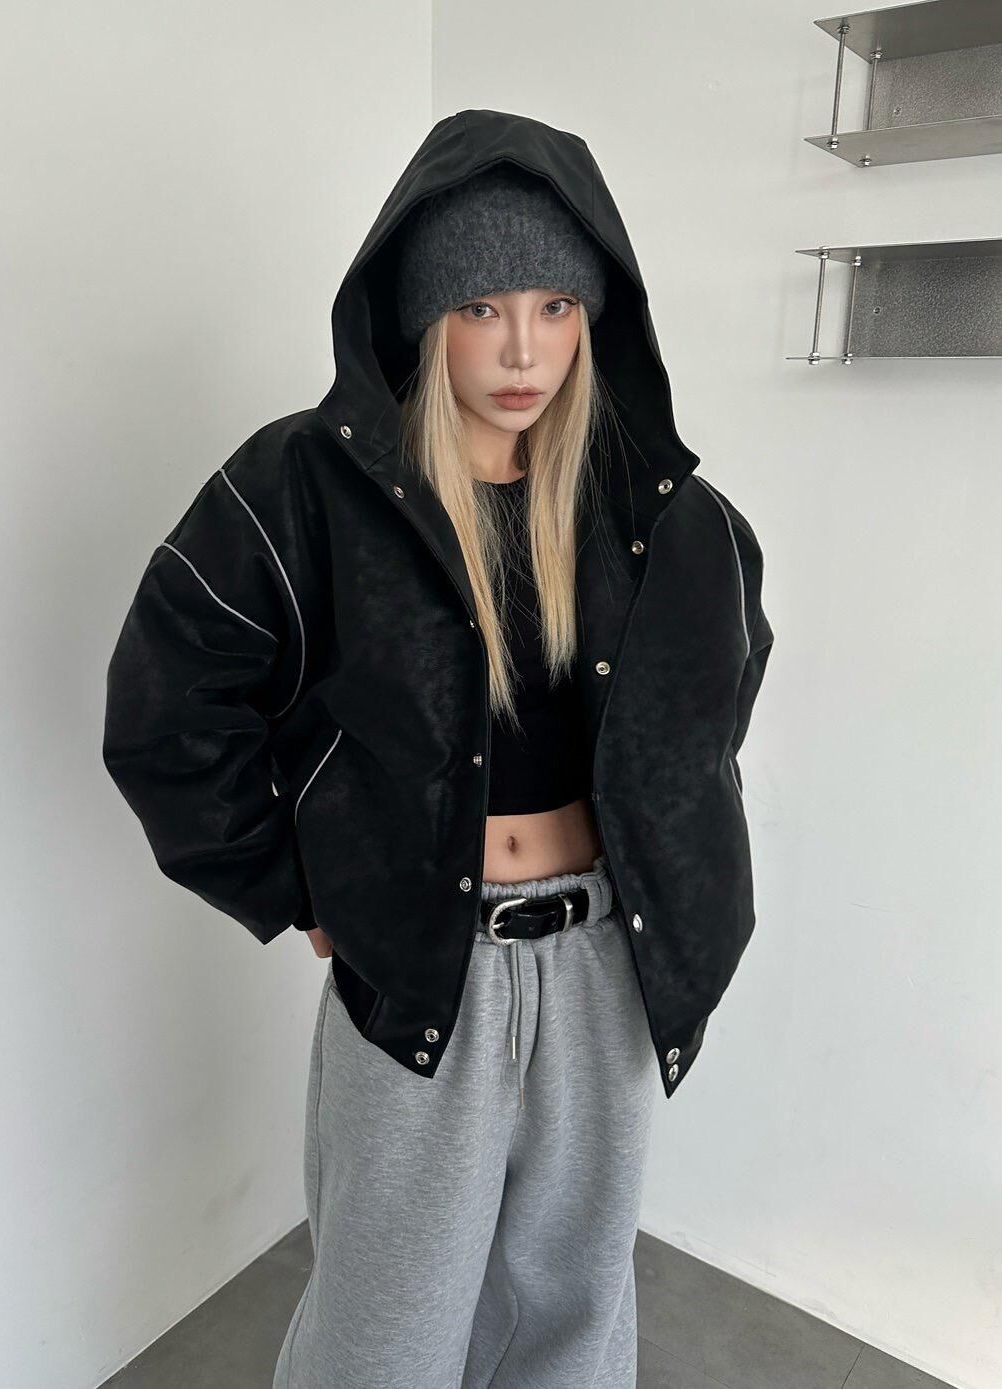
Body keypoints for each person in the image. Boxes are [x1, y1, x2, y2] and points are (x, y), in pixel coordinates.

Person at [102, 108, 774, 1389]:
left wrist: (675, 857)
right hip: (423, 961)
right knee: (386, 1323)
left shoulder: (658, 509)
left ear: (593, 319)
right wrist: (298, 889)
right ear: (422, 316)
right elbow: (168, 706)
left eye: (553, 308)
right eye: (480, 309)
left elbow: (718, 692)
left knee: (573, 1310)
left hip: (606, 961)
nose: (521, 350)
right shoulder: (305, 486)